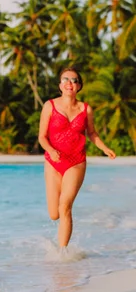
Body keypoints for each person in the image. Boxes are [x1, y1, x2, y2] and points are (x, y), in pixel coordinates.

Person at [38, 67, 116, 249]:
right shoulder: (49, 106)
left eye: (74, 80)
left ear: (79, 86)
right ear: (60, 85)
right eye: (65, 79)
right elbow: (42, 137)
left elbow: (92, 133)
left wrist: (105, 148)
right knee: (54, 214)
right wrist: (51, 150)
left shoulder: (85, 109)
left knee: (65, 206)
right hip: (53, 162)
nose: (69, 83)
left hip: (76, 162)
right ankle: (59, 245)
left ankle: (62, 253)